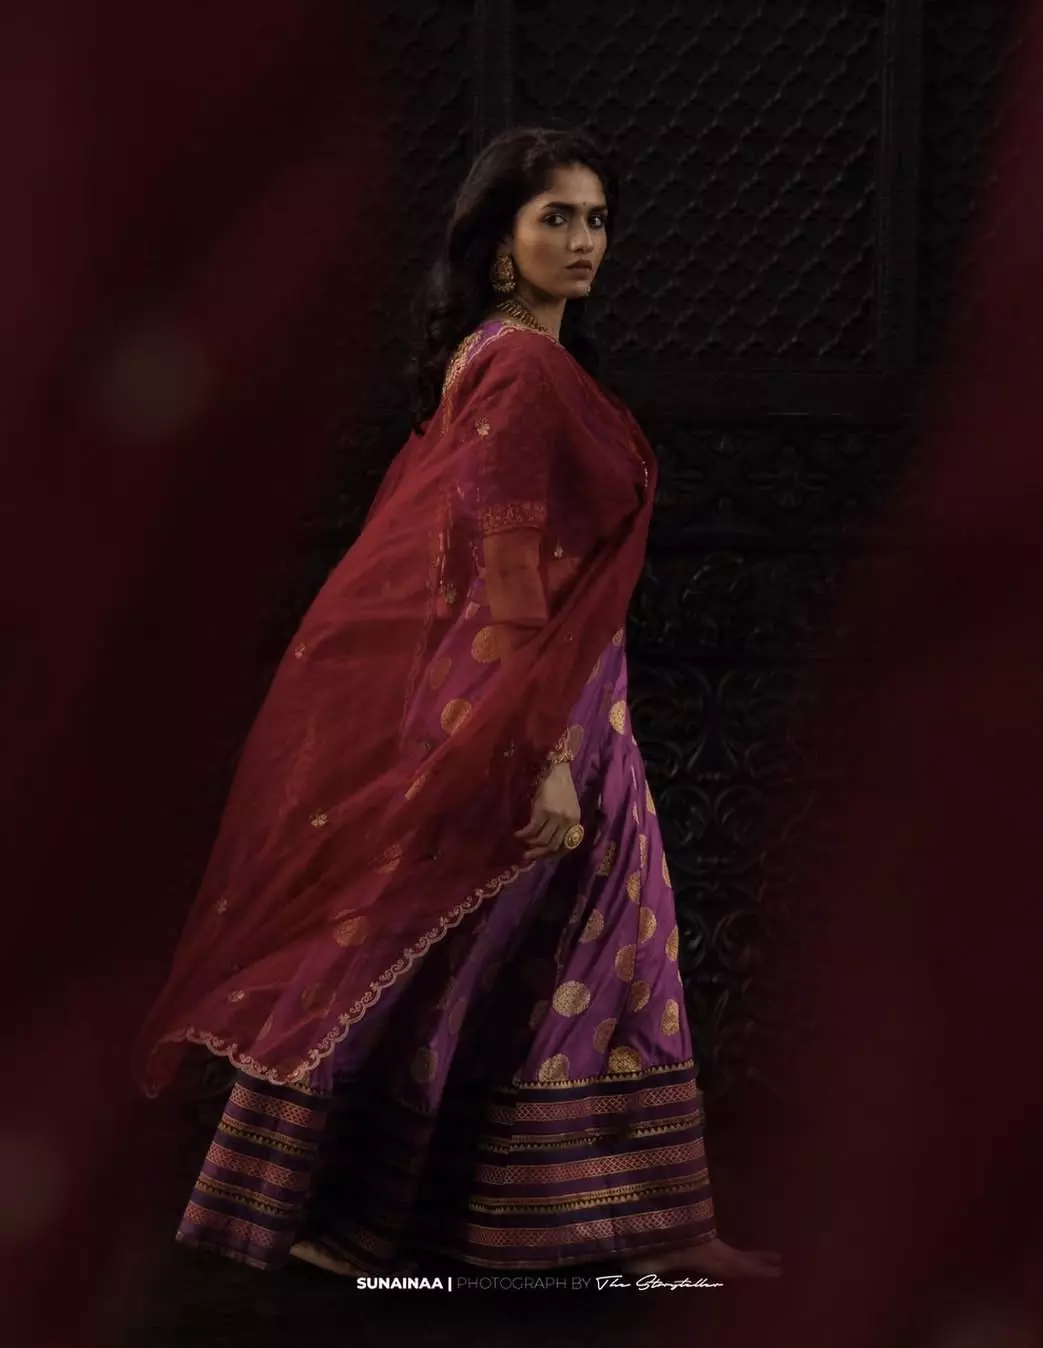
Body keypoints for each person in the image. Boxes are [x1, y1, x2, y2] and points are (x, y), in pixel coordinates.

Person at [135, 126, 782, 1282]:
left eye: (595, 218)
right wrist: (540, 749)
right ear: (498, 240)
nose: (583, 240)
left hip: (571, 694)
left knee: (521, 939)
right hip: (541, 703)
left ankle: (428, 1215)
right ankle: (424, 1217)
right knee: (525, 934)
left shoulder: (504, 360)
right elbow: (504, 561)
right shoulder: (519, 368)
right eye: (555, 217)